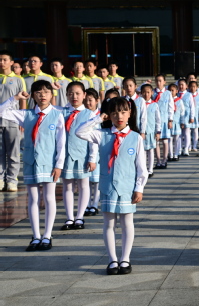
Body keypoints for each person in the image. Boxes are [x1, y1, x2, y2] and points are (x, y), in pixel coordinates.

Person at [76, 97, 148, 275]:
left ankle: (125, 259)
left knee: (127, 223)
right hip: (108, 186)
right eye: (114, 113)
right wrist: (98, 119)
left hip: (127, 188)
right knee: (109, 223)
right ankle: (112, 259)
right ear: (109, 115)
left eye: (123, 112)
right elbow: (79, 131)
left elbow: (141, 167)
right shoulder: (102, 134)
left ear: (130, 113)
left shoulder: (136, 138)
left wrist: (139, 188)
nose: (119, 116)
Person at [0, 81, 65, 251]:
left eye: (46, 92)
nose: (42, 95)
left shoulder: (57, 115)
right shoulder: (26, 115)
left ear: (51, 94)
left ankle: (47, 235)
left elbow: (61, 143)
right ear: (33, 95)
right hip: (31, 162)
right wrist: (15, 98)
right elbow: (2, 112)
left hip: (49, 163)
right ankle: (36, 236)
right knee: (33, 199)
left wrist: (59, 164)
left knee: (49, 198)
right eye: (38, 92)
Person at [59, 81, 96, 232]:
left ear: (84, 95)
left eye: (78, 93)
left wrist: (92, 158)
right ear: (66, 95)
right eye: (71, 93)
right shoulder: (61, 112)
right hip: (65, 155)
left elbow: (93, 139)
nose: (74, 96)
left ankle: (80, 216)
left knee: (83, 185)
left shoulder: (89, 114)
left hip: (83, 155)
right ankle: (69, 217)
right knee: (67, 186)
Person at [0, 50, 27, 192]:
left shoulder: (18, 79)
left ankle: (12, 180)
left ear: (11, 62)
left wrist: (22, 119)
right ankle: (0, 179)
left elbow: (23, 100)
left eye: (5, 60)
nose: (2, 62)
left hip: (12, 121)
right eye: (0, 60)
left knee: (13, 152)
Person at [85, 87, 102, 215]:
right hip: (84, 151)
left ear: (97, 100)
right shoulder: (83, 114)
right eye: (85, 100)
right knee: (85, 181)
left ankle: (95, 204)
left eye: (90, 100)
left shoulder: (101, 116)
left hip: (98, 152)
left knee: (96, 180)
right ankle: (86, 205)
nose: (88, 103)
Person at [140, 84, 160, 177]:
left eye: (148, 92)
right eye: (144, 92)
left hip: (151, 131)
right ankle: (144, 169)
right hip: (142, 132)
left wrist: (158, 131)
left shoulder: (154, 105)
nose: (146, 94)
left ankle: (150, 169)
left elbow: (158, 119)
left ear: (152, 93)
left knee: (151, 150)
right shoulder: (139, 104)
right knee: (143, 151)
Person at [153, 74, 173, 169]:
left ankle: (164, 160)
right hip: (155, 121)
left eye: (160, 81)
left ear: (164, 82)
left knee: (165, 141)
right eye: (157, 80)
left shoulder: (168, 93)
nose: (158, 83)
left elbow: (170, 107)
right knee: (156, 141)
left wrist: (170, 120)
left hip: (165, 120)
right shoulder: (152, 92)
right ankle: (158, 161)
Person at [168, 83, 184, 162]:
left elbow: (182, 112)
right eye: (169, 90)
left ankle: (176, 154)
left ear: (177, 91)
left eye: (172, 90)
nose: (171, 92)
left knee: (177, 140)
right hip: (169, 123)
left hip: (177, 123)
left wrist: (182, 122)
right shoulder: (167, 101)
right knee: (169, 140)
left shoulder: (179, 101)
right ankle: (170, 154)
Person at [187, 80, 199, 152]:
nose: (192, 88)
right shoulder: (187, 95)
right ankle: (188, 146)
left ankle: (195, 145)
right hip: (188, 116)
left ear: (197, 87)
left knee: (195, 131)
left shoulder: (198, 95)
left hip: (196, 115)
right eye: (191, 86)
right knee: (188, 131)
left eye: (194, 87)